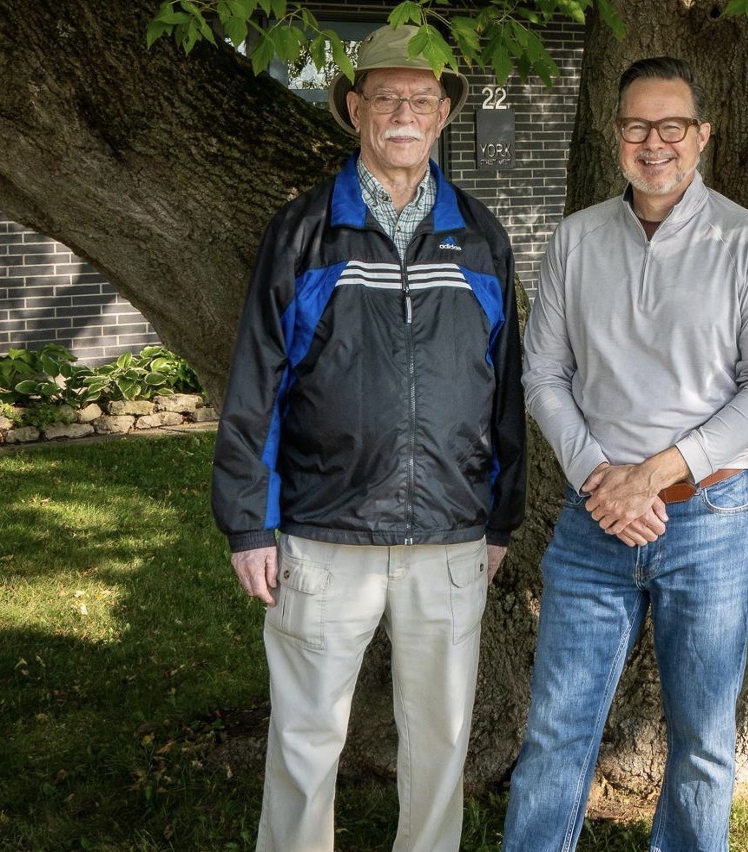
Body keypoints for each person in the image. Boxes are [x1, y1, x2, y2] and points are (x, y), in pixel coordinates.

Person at [210, 24, 525, 852]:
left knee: (440, 744)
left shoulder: (481, 236)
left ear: (444, 114)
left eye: (422, 99)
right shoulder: (304, 231)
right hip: (324, 532)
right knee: (305, 739)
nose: (404, 114)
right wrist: (249, 524)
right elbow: (257, 382)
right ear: (355, 110)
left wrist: (501, 518)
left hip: (450, 535)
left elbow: (506, 390)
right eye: (386, 98)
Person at [502, 56, 748, 852]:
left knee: (703, 739)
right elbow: (543, 374)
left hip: (709, 516)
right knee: (557, 729)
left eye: (672, 126)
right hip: (593, 517)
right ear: (616, 137)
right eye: (637, 126)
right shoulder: (576, 239)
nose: (654, 142)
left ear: (702, 136)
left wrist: (653, 476)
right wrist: (601, 480)